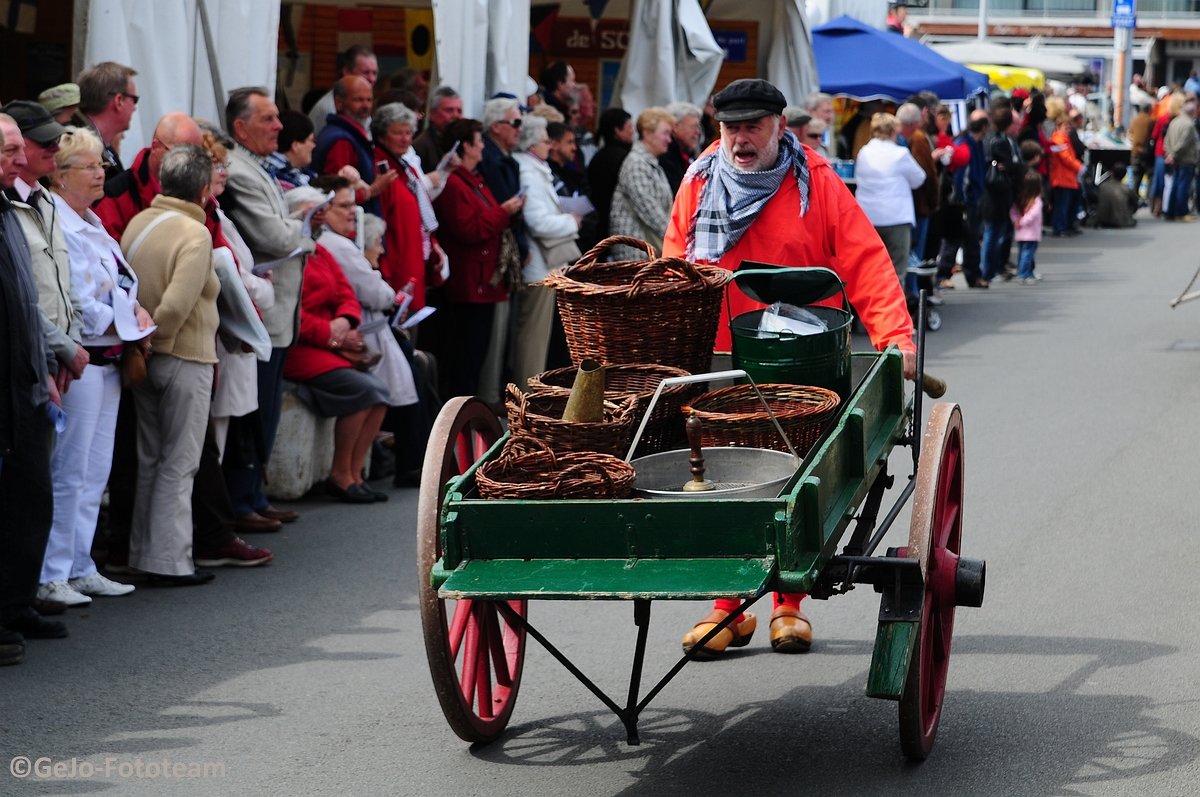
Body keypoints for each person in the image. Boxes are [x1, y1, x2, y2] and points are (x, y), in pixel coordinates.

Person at [662, 79, 915, 657]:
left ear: (780, 127)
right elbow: (676, 256)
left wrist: (896, 338)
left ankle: (787, 604)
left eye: (753, 127)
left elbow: (865, 260)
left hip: (800, 354)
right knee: (721, 477)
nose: (741, 140)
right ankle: (730, 605)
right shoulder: (700, 180)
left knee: (792, 475)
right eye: (731, 129)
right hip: (722, 354)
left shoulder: (815, 181)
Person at [37, 127, 148, 607]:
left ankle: (80, 565)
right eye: (90, 166)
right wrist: (132, 320)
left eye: (101, 164)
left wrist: (133, 310)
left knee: (94, 469)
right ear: (61, 176)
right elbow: (79, 301)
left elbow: (120, 282)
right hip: (83, 359)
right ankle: (51, 572)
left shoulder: (93, 220)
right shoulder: (60, 222)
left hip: (111, 357)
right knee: (69, 470)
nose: (101, 172)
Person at [121, 145, 221, 585]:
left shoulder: (139, 222)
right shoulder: (195, 234)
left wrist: (140, 347)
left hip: (140, 356)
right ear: (203, 191)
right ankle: (170, 560)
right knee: (180, 463)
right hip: (183, 356)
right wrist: (156, 341)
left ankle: (142, 553)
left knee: (149, 459)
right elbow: (177, 305)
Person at [220, 87, 315, 533]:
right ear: (241, 127)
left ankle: (254, 493)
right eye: (269, 119)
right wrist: (304, 223)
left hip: (278, 312)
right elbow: (276, 237)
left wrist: (292, 227)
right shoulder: (239, 170)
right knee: (252, 413)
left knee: (266, 409)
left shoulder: (253, 165)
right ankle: (242, 499)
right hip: (260, 313)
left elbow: (281, 232)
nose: (280, 126)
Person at [0, 117, 68, 656]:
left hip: (25, 382)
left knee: (31, 499)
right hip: (6, 383)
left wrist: (52, 356)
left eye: (21, 149)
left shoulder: (9, 210)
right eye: (10, 150)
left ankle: (15, 603)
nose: (21, 161)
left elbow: (27, 302)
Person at [282, 184, 390, 504]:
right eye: (315, 213)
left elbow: (346, 294)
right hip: (303, 349)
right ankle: (341, 474)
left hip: (330, 343)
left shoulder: (321, 251)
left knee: (379, 394)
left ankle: (355, 473)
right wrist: (329, 332)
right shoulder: (290, 255)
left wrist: (345, 322)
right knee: (364, 391)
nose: (322, 219)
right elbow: (291, 312)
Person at [0, 104, 87, 403]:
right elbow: (18, 295)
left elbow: (66, 279)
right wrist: (63, 348)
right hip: (28, 361)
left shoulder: (47, 199)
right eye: (44, 141)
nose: (55, 147)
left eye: (56, 139)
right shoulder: (6, 205)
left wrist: (72, 341)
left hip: (61, 360)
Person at [432, 118, 524, 398]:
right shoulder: (454, 185)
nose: (484, 146)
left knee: (477, 353)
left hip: (483, 281)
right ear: (466, 147)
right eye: (479, 141)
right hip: (470, 282)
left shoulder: (475, 179)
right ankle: (460, 414)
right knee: (467, 356)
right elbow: (468, 229)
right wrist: (504, 212)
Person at [312, 177, 418, 413]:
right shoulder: (336, 244)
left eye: (353, 205)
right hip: (355, 336)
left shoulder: (334, 241)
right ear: (323, 209)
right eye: (344, 206)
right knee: (387, 397)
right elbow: (376, 293)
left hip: (352, 330)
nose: (352, 212)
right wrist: (390, 297)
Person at [512, 115, 582, 387]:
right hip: (537, 267)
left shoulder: (535, 169)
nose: (549, 146)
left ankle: (531, 386)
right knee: (533, 336)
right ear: (531, 144)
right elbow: (539, 222)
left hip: (543, 265)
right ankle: (528, 388)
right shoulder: (529, 173)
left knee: (538, 335)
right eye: (545, 140)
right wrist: (571, 221)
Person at [372, 103, 446, 308]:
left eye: (408, 133)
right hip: (397, 272)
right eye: (398, 133)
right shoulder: (382, 170)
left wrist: (433, 244)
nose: (405, 139)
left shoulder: (404, 168)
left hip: (412, 269)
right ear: (382, 134)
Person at [96, 112, 205, 241]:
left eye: (197, 157)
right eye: (180, 155)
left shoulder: (200, 189)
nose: (189, 164)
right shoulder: (113, 197)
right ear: (156, 147)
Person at [854, 112, 927, 289]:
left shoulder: (864, 152)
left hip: (868, 217)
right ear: (894, 131)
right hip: (896, 217)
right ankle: (894, 314)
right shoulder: (900, 153)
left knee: (872, 271)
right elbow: (920, 178)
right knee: (896, 272)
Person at [312, 75, 396, 215]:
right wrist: (373, 189)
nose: (366, 106)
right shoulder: (341, 141)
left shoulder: (351, 135)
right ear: (339, 103)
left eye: (369, 100)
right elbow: (336, 195)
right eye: (358, 100)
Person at [609, 106, 674, 261]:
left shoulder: (650, 163)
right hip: (635, 255)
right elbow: (649, 210)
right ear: (647, 133)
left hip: (646, 251)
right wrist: (675, 239)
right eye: (665, 133)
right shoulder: (636, 163)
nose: (669, 140)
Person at [75, 61, 139, 180]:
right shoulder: (77, 149)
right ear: (119, 100)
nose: (135, 107)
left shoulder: (104, 149)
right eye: (135, 100)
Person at [896, 102, 939, 263]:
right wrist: (933, 202)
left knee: (908, 254)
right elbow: (923, 176)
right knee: (913, 254)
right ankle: (913, 288)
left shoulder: (871, 149)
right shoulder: (917, 138)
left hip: (903, 207)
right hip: (916, 205)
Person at [308, 44, 379, 137]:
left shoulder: (357, 104)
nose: (372, 79)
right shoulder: (330, 108)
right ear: (347, 72)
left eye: (375, 73)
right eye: (366, 72)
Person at [587, 108, 633, 242]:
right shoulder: (625, 159)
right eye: (629, 126)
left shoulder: (597, 156)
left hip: (599, 224)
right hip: (615, 226)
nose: (633, 131)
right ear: (617, 131)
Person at [1049, 111, 1085, 237]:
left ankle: (1064, 226)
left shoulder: (1063, 139)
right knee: (1062, 205)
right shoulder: (1059, 139)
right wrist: (1079, 167)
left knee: (1065, 204)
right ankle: (1060, 228)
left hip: (1067, 178)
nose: (1068, 129)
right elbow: (1066, 158)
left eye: (1069, 126)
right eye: (1066, 126)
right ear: (1059, 127)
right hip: (1061, 178)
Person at [413, 86, 464, 174]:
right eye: (449, 110)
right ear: (432, 113)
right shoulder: (421, 146)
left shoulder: (462, 141)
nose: (456, 116)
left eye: (459, 111)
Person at [1163, 97, 1198, 222]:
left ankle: (1170, 211)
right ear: (1192, 112)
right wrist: (1173, 154)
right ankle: (1181, 212)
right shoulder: (1188, 124)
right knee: (1183, 186)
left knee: (1174, 184)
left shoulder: (1174, 122)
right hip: (1185, 159)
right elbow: (1183, 143)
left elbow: (1166, 140)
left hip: (1175, 159)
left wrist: (1169, 153)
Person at [659, 102, 704, 195]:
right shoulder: (664, 157)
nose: (698, 132)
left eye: (698, 127)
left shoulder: (689, 153)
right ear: (675, 127)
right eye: (694, 126)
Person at [267, 110, 318, 190]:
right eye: (311, 141)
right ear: (296, 145)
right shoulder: (280, 178)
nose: (314, 146)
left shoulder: (296, 172)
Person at [1010, 170, 1044, 284]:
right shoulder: (1037, 201)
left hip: (1020, 232)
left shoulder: (1020, 199)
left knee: (1023, 254)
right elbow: (1032, 215)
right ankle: (1023, 274)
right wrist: (1023, 221)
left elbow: (1013, 211)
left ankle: (1027, 272)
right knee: (1028, 254)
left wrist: (1016, 221)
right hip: (1031, 233)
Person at [1096, 163, 1138, 229]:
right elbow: (1135, 205)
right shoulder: (1127, 189)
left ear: (1112, 173)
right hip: (1123, 222)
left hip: (1102, 221)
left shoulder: (1102, 187)